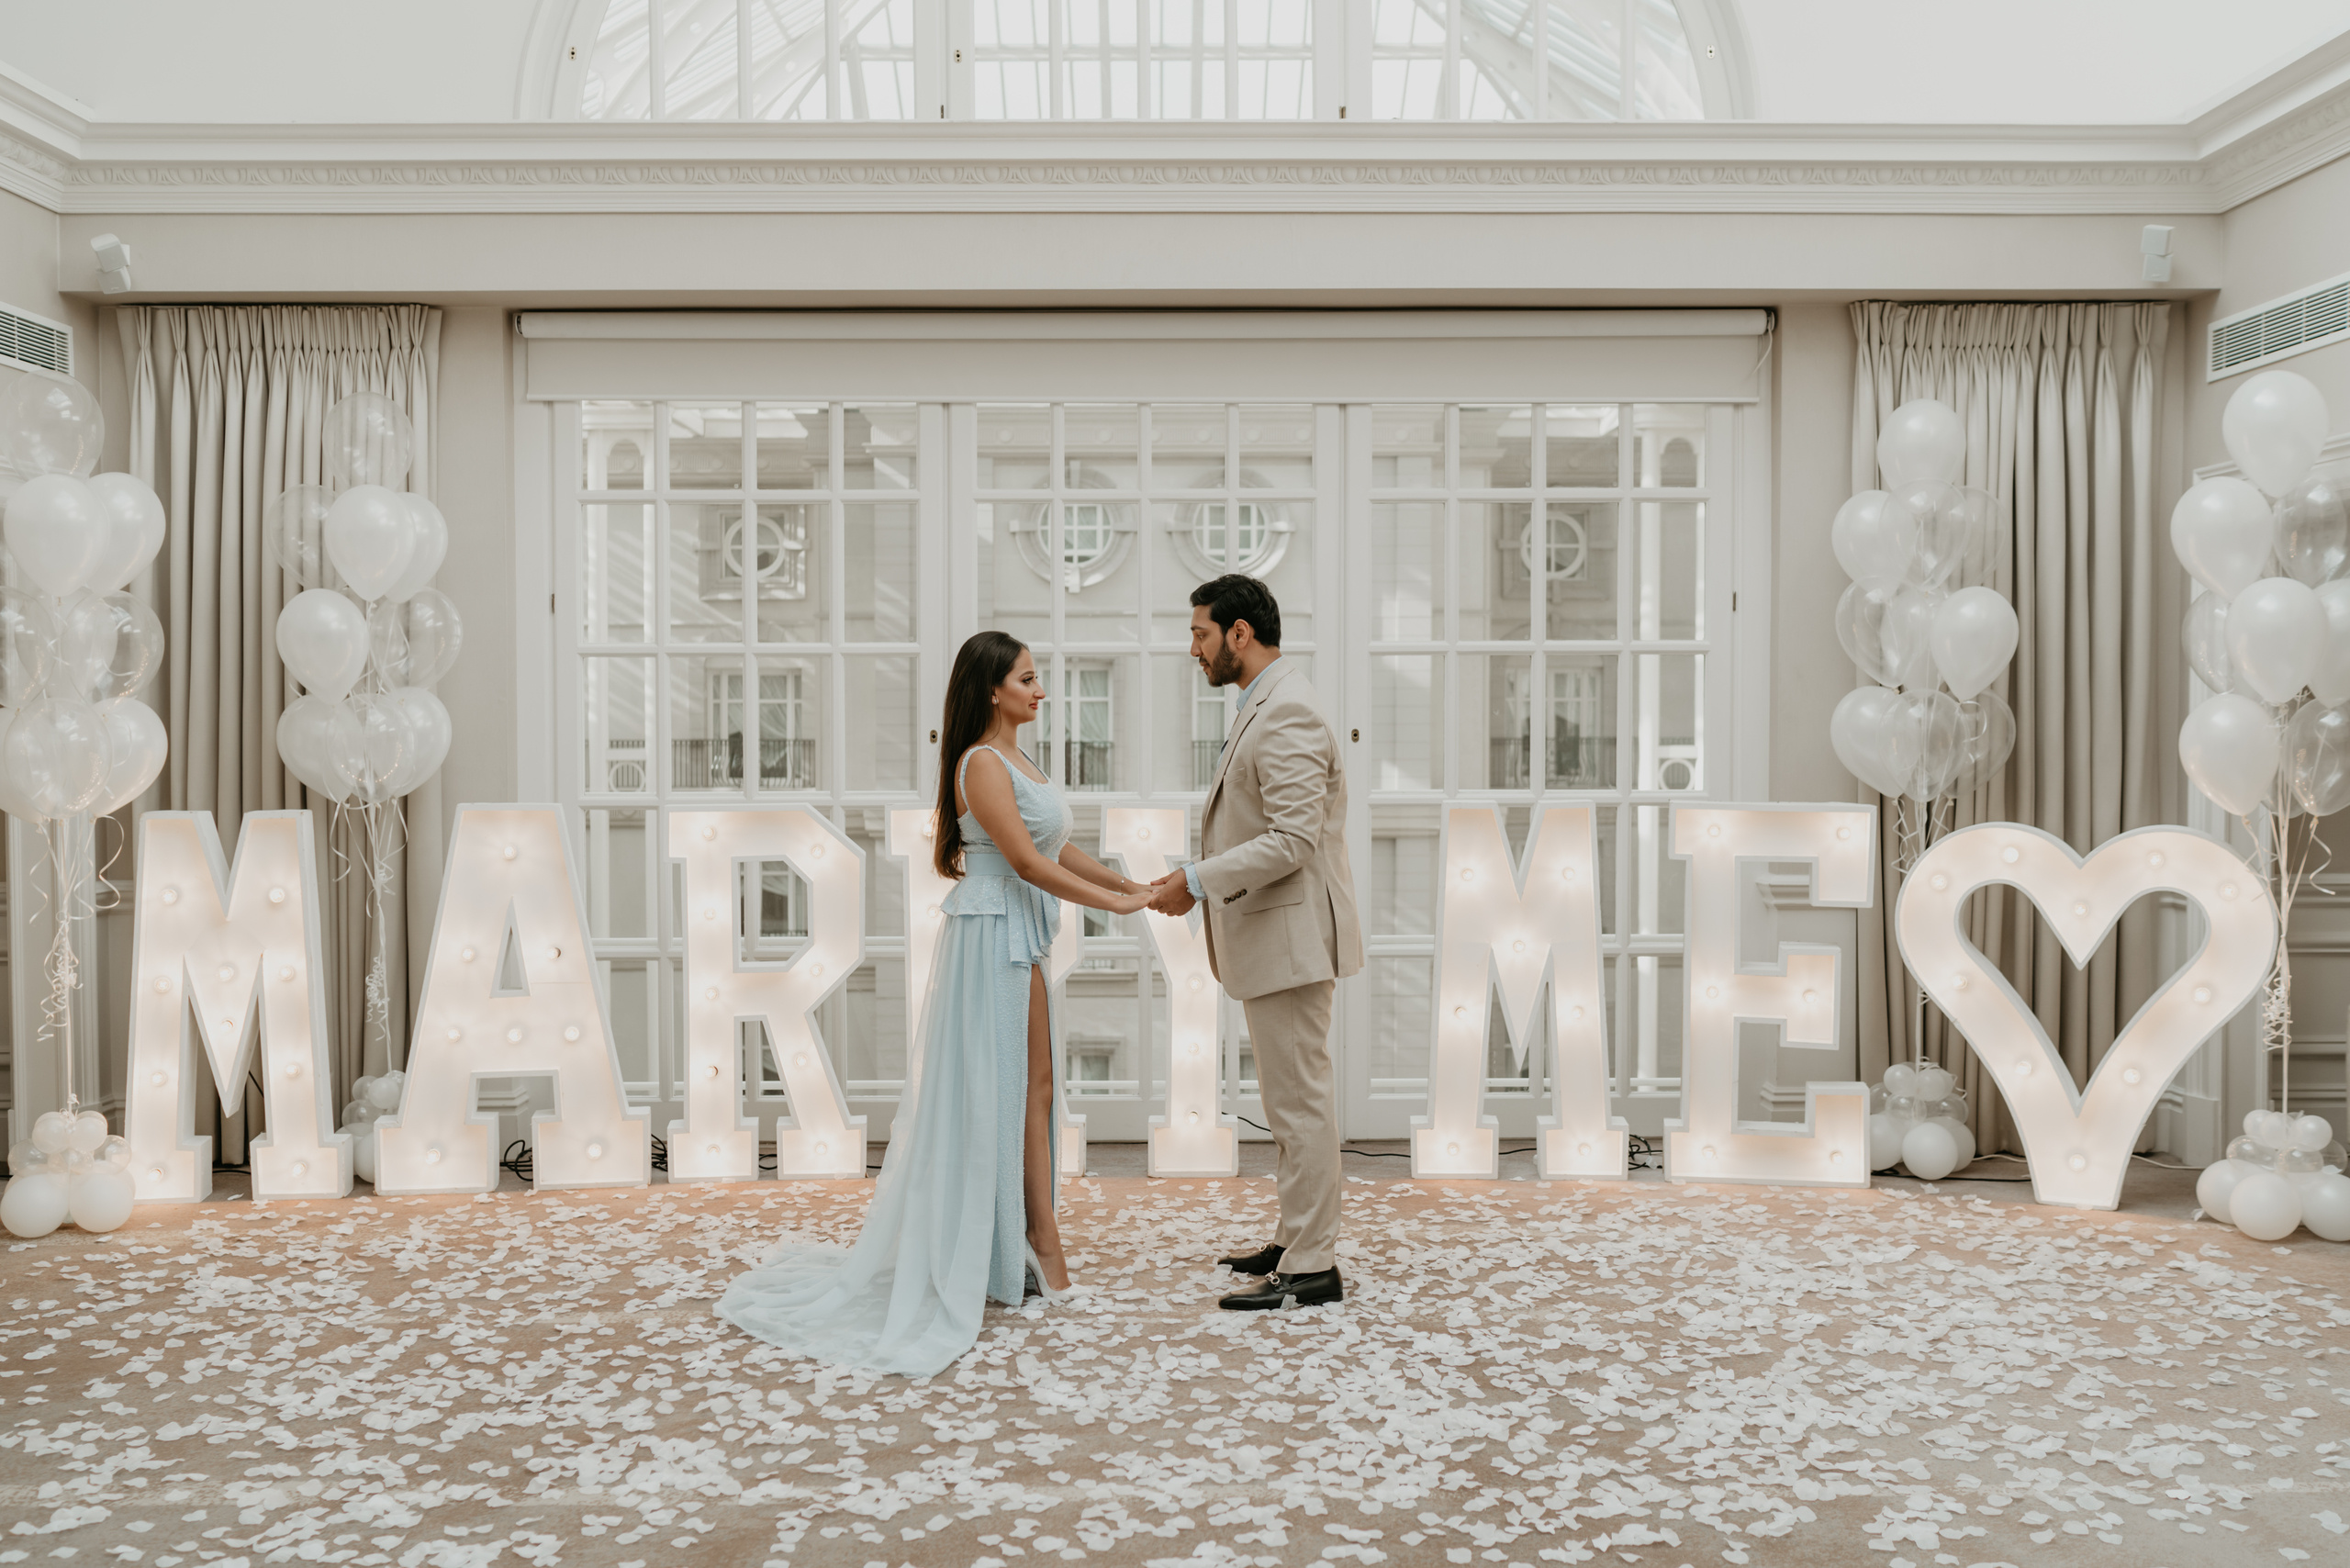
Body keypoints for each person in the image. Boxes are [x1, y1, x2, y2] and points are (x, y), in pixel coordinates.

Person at [718, 631, 1154, 1376]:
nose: (1040, 690)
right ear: (992, 690)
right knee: (1002, 1091)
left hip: (1019, 930)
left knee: (1038, 1089)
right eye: (1027, 679)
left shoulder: (1020, 760)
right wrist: (1118, 905)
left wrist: (1129, 884)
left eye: (1037, 678)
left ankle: (1031, 1236)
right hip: (991, 933)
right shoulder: (980, 763)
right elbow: (1024, 862)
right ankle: (1035, 1243)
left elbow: (1054, 848)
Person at [1147, 574, 1363, 1310]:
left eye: (1200, 634)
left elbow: (1293, 839)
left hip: (1292, 941)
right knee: (1289, 1102)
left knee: (1300, 1104)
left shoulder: (1287, 710)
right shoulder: (1267, 704)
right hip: (1278, 940)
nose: (1193, 650)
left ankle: (1312, 1267)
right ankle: (1296, 1238)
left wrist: (1196, 880)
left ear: (1240, 634)